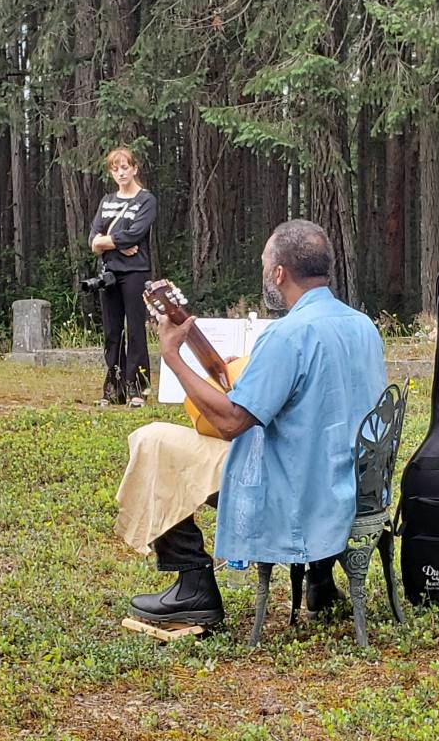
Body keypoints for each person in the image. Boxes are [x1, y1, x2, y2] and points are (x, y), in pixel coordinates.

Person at [117, 220, 387, 626]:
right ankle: (320, 578)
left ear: (279, 273)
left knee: (154, 439)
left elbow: (231, 422)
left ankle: (194, 585)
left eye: (265, 264)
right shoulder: (362, 325)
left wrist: (172, 357)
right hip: (353, 482)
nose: (264, 273)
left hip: (297, 492)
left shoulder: (287, 335)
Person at [87, 147, 156, 407]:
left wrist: (106, 241)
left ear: (135, 168)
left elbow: (135, 234)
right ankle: (113, 389)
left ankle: (138, 390)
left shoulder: (146, 200)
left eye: (125, 167)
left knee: (136, 330)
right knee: (112, 332)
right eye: (115, 168)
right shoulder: (106, 201)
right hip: (109, 273)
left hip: (136, 273)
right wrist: (110, 243)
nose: (121, 172)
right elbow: (92, 240)